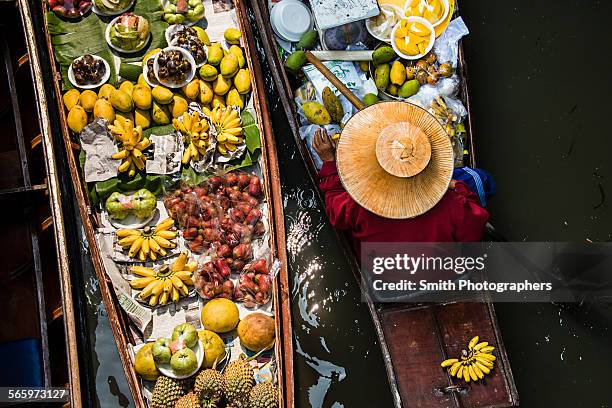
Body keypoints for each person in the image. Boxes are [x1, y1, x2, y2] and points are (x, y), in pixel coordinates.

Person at [312, 126, 490, 254]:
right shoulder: (453, 205)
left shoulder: (361, 202)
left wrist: (329, 162)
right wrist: (457, 187)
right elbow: (474, 231)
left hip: (383, 276)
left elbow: (334, 210)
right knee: (477, 179)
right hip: (437, 275)